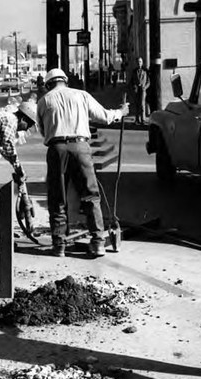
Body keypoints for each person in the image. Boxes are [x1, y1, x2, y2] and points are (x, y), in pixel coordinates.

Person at [36, 68, 129, 258]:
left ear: (48, 84)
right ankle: (97, 242)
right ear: (65, 81)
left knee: (57, 198)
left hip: (57, 149)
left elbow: (42, 130)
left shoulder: (44, 101)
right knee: (90, 195)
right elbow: (104, 116)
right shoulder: (81, 95)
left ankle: (59, 245)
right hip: (81, 147)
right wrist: (121, 111)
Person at [130, 57, 150, 125]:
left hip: (143, 90)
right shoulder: (134, 71)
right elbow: (131, 81)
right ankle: (137, 119)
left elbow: (148, 82)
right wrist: (134, 87)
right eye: (138, 62)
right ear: (136, 63)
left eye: (140, 61)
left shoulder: (145, 71)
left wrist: (145, 87)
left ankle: (143, 119)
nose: (139, 63)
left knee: (142, 104)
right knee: (136, 104)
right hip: (136, 90)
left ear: (142, 62)